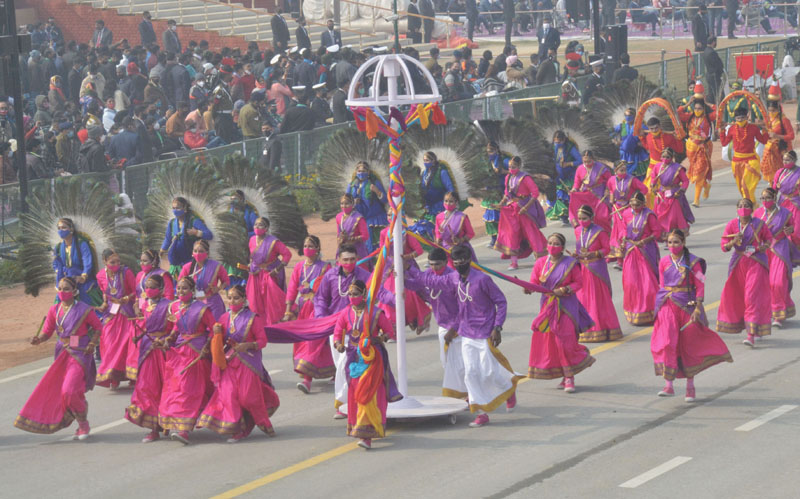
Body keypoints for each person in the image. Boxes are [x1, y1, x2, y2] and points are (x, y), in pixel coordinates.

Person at [405, 244, 521, 427]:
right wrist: (407, 269)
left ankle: (508, 388)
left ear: (469, 261)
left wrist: (497, 327)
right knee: (471, 374)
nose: (459, 264)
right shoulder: (453, 279)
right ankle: (481, 412)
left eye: (462, 261)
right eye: (456, 261)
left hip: (484, 332)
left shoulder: (483, 280)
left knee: (488, 372)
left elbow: (501, 301)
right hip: (466, 332)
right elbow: (429, 282)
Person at [14, 277, 102, 439]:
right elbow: (47, 332)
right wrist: (39, 339)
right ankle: (80, 415)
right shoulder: (54, 310)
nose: (62, 292)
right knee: (64, 392)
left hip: (80, 352)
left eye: (66, 288)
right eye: (60, 288)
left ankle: (83, 424)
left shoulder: (84, 309)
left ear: (74, 291)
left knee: (69, 390)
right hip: (62, 353)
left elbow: (98, 327)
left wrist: (93, 343)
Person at [651, 229, 732, 401]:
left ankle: (690, 386)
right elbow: (661, 285)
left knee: (688, 344)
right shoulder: (664, 261)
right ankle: (669, 385)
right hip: (667, 304)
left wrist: (697, 307)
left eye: (676, 242)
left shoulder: (693, 262)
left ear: (683, 243)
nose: (672, 245)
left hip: (687, 305)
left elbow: (700, 285)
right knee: (667, 341)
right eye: (670, 242)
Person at [314, 245, 393, 418]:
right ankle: (351, 401)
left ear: (357, 260)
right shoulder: (330, 276)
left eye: (352, 259)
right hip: (335, 326)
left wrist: (396, 300)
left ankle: (343, 403)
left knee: (346, 366)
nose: (349, 262)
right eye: (345, 259)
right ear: (338, 260)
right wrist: (321, 317)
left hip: (358, 328)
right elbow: (320, 298)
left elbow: (379, 292)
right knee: (341, 366)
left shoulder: (364, 276)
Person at [198, 285, 280, 442]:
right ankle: (238, 429)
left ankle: (261, 423)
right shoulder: (223, 318)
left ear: (244, 300)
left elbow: (262, 341)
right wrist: (215, 334)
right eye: (229, 297)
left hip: (248, 361)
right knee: (228, 395)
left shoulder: (252, 318)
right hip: (230, 362)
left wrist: (248, 345)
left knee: (248, 397)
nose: (232, 301)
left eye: (236, 298)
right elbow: (218, 340)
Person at [333, 279, 401, 449]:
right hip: (353, 359)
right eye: (349, 294)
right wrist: (339, 345)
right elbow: (337, 333)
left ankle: (367, 434)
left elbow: (389, 332)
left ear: (364, 295)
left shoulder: (375, 313)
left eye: (355, 294)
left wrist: (375, 340)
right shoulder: (345, 313)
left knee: (370, 394)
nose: (351, 297)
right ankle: (360, 428)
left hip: (373, 358)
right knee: (356, 394)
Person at [527, 232, 596, 391]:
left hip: (566, 306)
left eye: (556, 244)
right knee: (552, 343)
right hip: (548, 307)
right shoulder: (540, 263)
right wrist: (528, 289)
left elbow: (579, 283)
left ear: (563, 248)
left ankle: (570, 377)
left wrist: (564, 289)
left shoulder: (570, 263)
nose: (552, 246)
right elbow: (534, 282)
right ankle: (565, 375)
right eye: (550, 243)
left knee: (564, 341)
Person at [158, 276, 216, 444]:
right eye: (179, 288)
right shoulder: (175, 307)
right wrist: (169, 339)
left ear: (192, 291)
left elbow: (214, 330)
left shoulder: (202, 309)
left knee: (187, 390)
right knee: (175, 388)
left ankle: (184, 430)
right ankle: (173, 421)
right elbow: (176, 327)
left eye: (184, 288)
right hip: (179, 352)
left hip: (196, 353)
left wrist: (206, 347)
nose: (180, 291)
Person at [404, 248, 467, 399]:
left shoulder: (453, 277)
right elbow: (415, 285)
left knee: (462, 364)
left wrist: (455, 328)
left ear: (446, 262)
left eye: (438, 264)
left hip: (459, 327)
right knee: (446, 362)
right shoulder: (428, 274)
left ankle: (469, 395)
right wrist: (401, 278)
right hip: (443, 326)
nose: (434, 268)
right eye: (431, 264)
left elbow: (463, 308)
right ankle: (459, 393)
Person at [124, 274, 175, 442]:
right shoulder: (145, 305)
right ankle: (153, 428)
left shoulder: (169, 306)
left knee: (166, 388)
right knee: (147, 388)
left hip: (163, 351)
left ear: (161, 289)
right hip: (148, 350)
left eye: (153, 286)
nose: (149, 289)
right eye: (147, 286)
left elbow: (176, 328)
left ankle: (171, 423)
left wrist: (164, 340)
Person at [717, 198, 774, 345]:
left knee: (751, 296)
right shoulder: (731, 225)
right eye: (741, 206)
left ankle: (751, 334)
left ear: (752, 209)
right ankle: (752, 326)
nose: (743, 208)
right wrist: (734, 241)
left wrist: (764, 246)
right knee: (738, 296)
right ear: (737, 209)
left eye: (747, 206)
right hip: (738, 262)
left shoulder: (759, 224)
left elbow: (768, 240)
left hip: (756, 261)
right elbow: (724, 247)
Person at [283, 236, 334, 393]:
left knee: (314, 342)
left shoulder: (325, 267)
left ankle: (307, 380)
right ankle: (333, 370)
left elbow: (330, 288)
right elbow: (292, 288)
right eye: (305, 245)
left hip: (319, 310)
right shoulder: (299, 267)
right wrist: (288, 309)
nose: (307, 248)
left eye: (310, 245)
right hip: (303, 310)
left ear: (317, 248)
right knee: (305, 342)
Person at [574, 206, 622, 342]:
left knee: (597, 299)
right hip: (583, 268)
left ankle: (602, 328)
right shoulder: (578, 231)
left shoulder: (599, 232)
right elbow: (579, 248)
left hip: (596, 268)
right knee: (583, 298)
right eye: (580, 219)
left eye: (585, 218)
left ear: (591, 218)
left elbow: (607, 249)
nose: (582, 221)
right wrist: (576, 256)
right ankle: (585, 329)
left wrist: (593, 254)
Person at [493, 156, 547, 269]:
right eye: (509, 167)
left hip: (525, 210)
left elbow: (535, 194)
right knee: (512, 233)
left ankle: (540, 257)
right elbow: (507, 194)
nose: (511, 169)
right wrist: (501, 203)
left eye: (514, 167)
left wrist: (526, 207)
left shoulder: (525, 178)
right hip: (512, 209)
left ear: (519, 166)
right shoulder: (508, 177)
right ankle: (514, 262)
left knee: (531, 233)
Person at [377, 224, 432, 335]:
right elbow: (382, 251)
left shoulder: (406, 233)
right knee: (388, 296)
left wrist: (405, 258)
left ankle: (418, 318)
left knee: (409, 296)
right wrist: (390, 260)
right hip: (389, 269)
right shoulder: (384, 233)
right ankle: (390, 328)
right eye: (389, 214)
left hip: (406, 267)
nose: (391, 217)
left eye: (393, 214)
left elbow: (419, 250)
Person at [754, 188, 798, 328]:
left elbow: (791, 227)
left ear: (775, 198)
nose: (765, 201)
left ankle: (778, 313)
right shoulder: (757, 213)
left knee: (777, 282)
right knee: (763, 283)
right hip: (763, 251)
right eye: (762, 198)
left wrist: (789, 230)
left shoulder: (785, 213)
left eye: (768, 198)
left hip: (779, 248)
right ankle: (767, 311)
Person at [95, 249, 138, 388]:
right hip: (110, 314)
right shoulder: (100, 275)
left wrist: (127, 298)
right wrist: (103, 304)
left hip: (126, 312)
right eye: (112, 262)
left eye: (118, 261)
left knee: (126, 344)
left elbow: (135, 290)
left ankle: (131, 375)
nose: (116, 264)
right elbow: (104, 294)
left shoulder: (126, 272)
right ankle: (113, 377)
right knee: (108, 343)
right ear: (105, 262)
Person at [622, 191, 662, 325]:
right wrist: (622, 241)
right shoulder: (626, 214)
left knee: (648, 283)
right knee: (631, 283)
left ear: (643, 204)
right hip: (631, 251)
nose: (634, 207)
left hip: (645, 251)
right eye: (632, 204)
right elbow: (623, 231)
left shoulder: (649, 215)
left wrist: (644, 241)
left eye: (637, 205)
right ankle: (635, 312)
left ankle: (651, 311)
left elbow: (657, 232)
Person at [245, 217, 292, 324]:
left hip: (270, 274)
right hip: (256, 274)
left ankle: (275, 323)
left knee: (272, 301)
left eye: (260, 225)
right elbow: (252, 256)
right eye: (255, 224)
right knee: (255, 301)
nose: (257, 227)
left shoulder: (273, 242)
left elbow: (287, 255)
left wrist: (276, 270)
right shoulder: (252, 240)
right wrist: (250, 265)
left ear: (266, 228)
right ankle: (261, 324)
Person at [720, 107, 768, 203]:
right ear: (735, 119)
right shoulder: (732, 129)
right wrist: (722, 131)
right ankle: (749, 205)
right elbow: (724, 143)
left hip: (751, 160)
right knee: (741, 187)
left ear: (747, 117)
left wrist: (764, 130)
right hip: (736, 161)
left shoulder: (753, 128)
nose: (740, 120)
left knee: (745, 185)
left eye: (742, 118)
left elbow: (763, 140)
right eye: (738, 118)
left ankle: (751, 205)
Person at [607, 160, 649, 268]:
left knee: (626, 233)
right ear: (615, 171)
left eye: (625, 170)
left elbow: (644, 189)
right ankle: (619, 259)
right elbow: (611, 190)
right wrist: (612, 199)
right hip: (617, 210)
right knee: (617, 234)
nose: (624, 172)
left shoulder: (632, 180)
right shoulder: (611, 180)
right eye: (621, 170)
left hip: (628, 210)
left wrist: (634, 200)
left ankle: (629, 258)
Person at [53, 218, 102, 307]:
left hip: (81, 276)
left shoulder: (81, 244)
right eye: (59, 228)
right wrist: (59, 272)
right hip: (66, 276)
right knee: (61, 294)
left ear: (71, 229)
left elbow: (87, 260)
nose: (61, 230)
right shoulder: (58, 246)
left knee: (85, 294)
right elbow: (56, 263)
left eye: (64, 228)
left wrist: (83, 276)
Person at [678, 91, 715, 206]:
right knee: (695, 171)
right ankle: (706, 185)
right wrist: (688, 103)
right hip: (690, 147)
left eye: (700, 108)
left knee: (698, 173)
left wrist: (707, 103)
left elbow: (718, 111)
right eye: (696, 108)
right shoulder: (689, 117)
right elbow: (679, 112)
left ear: (703, 109)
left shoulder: (708, 118)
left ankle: (696, 200)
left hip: (703, 148)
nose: (698, 110)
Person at [160, 196, 213, 276]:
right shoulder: (172, 223)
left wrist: (196, 233)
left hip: (190, 260)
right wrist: (162, 250)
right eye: (173, 208)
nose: (175, 210)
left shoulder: (194, 221)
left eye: (178, 208)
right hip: (176, 262)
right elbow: (168, 239)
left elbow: (209, 235)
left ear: (185, 208)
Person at [178, 239, 230, 320]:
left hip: (212, 303)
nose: (198, 254)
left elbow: (226, 281)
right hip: (193, 303)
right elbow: (180, 283)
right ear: (192, 253)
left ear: (207, 253)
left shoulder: (216, 266)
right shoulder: (187, 267)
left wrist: (218, 288)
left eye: (201, 251)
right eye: (195, 251)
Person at [640, 117, 685, 208]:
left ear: (660, 126)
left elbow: (679, 150)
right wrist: (641, 137)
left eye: (656, 128)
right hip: (652, 168)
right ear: (648, 129)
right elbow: (647, 147)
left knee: (667, 192)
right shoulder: (648, 137)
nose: (654, 130)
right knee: (649, 192)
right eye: (651, 129)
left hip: (667, 168)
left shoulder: (668, 137)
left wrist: (678, 138)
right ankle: (652, 213)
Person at [650, 147, 695, 234]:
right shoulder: (658, 167)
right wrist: (653, 186)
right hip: (662, 195)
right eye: (663, 156)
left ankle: (675, 236)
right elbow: (653, 177)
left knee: (673, 218)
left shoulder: (677, 168)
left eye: (667, 157)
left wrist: (681, 191)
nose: (665, 159)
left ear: (672, 158)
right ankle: (665, 236)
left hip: (674, 195)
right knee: (659, 216)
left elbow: (685, 181)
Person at [346, 161, 388, 251]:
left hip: (375, 220)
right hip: (358, 221)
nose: (361, 173)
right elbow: (346, 202)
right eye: (359, 171)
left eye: (363, 170)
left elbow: (385, 200)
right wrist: (353, 202)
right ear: (356, 172)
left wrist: (377, 191)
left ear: (368, 172)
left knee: (377, 250)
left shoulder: (375, 183)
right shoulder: (351, 185)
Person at [570, 150, 612, 232]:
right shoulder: (580, 168)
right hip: (586, 195)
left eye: (589, 161)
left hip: (599, 194)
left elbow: (610, 180)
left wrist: (607, 189)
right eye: (584, 161)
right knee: (586, 214)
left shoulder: (601, 168)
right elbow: (577, 182)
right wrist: (574, 189)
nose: (587, 163)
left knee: (601, 216)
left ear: (593, 159)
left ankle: (605, 233)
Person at [761, 93, 794, 184]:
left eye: (773, 111)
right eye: (769, 111)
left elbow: (791, 136)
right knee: (773, 177)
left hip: (782, 149)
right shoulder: (769, 121)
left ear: (778, 110)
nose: (771, 113)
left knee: (784, 175)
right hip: (771, 151)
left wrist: (777, 136)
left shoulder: (784, 120)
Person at [435, 191, 477, 265]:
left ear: (456, 202)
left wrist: (461, 240)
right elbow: (437, 231)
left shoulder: (462, 217)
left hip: (461, 250)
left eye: (451, 201)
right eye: (446, 201)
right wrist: (438, 239)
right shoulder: (439, 217)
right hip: (446, 250)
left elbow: (470, 233)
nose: (448, 203)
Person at [483, 141, 509, 248]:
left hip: (502, 192)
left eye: (492, 151)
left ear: (497, 150)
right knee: (490, 217)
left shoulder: (504, 160)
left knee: (503, 217)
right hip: (490, 193)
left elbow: (515, 172)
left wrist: (505, 171)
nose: (490, 153)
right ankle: (494, 239)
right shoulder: (486, 162)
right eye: (488, 151)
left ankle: (506, 238)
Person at [336, 193, 371, 267]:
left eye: (347, 203)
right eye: (342, 203)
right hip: (343, 249)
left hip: (357, 251)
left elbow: (365, 236)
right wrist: (340, 239)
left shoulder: (358, 218)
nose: (344, 206)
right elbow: (338, 234)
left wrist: (349, 239)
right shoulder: (338, 217)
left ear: (352, 204)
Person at [773, 151, 800, 236]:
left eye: (787, 160)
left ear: (794, 160)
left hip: (795, 203)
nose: (785, 162)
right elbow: (774, 189)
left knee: (795, 227)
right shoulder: (780, 172)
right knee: (782, 226)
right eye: (784, 159)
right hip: (782, 202)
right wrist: (776, 187)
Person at [702, 37, 724, 104]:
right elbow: (717, 65)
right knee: (717, 93)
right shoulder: (712, 52)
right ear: (713, 42)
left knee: (711, 92)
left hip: (709, 75)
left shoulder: (706, 51)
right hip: (714, 76)